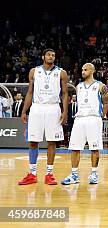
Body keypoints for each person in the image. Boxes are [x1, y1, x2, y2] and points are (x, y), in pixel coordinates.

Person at [18, 48, 69, 185]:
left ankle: (49, 174)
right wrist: (24, 111)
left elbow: (65, 94)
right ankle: (32, 174)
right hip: (37, 108)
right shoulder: (34, 71)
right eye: (48, 54)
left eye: (53, 55)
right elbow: (29, 92)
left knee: (52, 142)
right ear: (43, 57)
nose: (51, 56)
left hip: (53, 107)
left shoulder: (61, 73)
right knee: (33, 141)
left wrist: (65, 112)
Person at [61, 63, 108, 185]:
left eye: (85, 70)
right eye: (82, 69)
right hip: (79, 119)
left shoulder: (100, 86)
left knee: (94, 147)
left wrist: (101, 116)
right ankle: (74, 174)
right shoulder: (78, 86)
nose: (83, 71)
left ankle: (94, 173)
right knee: (75, 148)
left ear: (92, 71)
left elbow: (106, 103)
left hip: (93, 119)